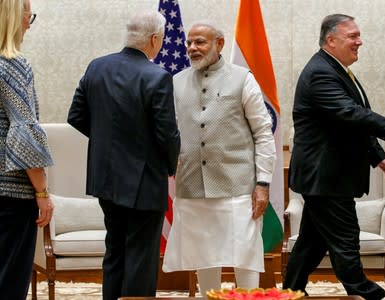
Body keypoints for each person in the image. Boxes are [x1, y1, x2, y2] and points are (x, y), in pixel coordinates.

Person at [283, 14, 385, 300]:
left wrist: (378, 156)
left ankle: (290, 293)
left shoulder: (336, 69)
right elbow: (350, 114)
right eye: (352, 36)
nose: (359, 41)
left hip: (326, 176)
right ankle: (368, 295)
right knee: (345, 241)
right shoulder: (321, 72)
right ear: (331, 41)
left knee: (311, 244)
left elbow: (351, 124)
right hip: (325, 176)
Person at [67, 11, 180, 300]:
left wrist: (108, 142)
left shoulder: (96, 67)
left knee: (115, 248)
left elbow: (76, 115)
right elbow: (166, 133)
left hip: (105, 177)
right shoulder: (157, 76)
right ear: (155, 39)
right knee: (141, 255)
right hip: (144, 181)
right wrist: (170, 164)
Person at [162, 21, 277, 297]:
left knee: (245, 253)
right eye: (189, 43)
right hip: (192, 186)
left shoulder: (242, 78)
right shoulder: (175, 82)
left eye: (200, 42)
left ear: (219, 44)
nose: (192, 48)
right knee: (204, 254)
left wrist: (263, 183)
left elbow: (263, 133)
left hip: (238, 187)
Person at [0, 0, 54, 298]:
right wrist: (43, 192)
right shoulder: (13, 64)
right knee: (10, 279)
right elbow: (23, 131)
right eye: (27, 16)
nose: (29, 24)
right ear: (13, 19)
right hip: (11, 192)